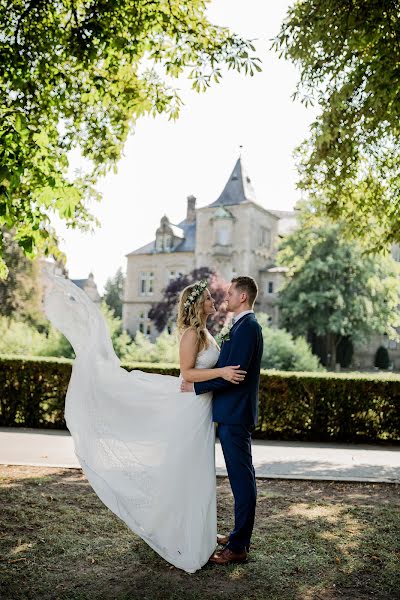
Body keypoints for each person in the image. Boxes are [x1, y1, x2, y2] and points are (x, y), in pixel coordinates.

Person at [40, 269, 245, 573]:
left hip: (200, 411)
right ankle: (177, 535)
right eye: (208, 297)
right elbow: (186, 374)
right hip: (189, 411)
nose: (213, 300)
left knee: (197, 474)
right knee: (185, 473)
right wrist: (221, 373)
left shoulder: (205, 333)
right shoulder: (191, 334)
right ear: (197, 303)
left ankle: (198, 533)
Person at [181, 276, 263, 566]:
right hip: (230, 413)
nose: (224, 296)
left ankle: (238, 546)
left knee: (241, 480)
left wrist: (196, 387)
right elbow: (225, 370)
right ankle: (237, 535)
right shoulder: (240, 326)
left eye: (230, 292)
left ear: (243, 297)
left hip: (235, 414)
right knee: (241, 478)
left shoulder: (248, 327)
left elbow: (234, 375)